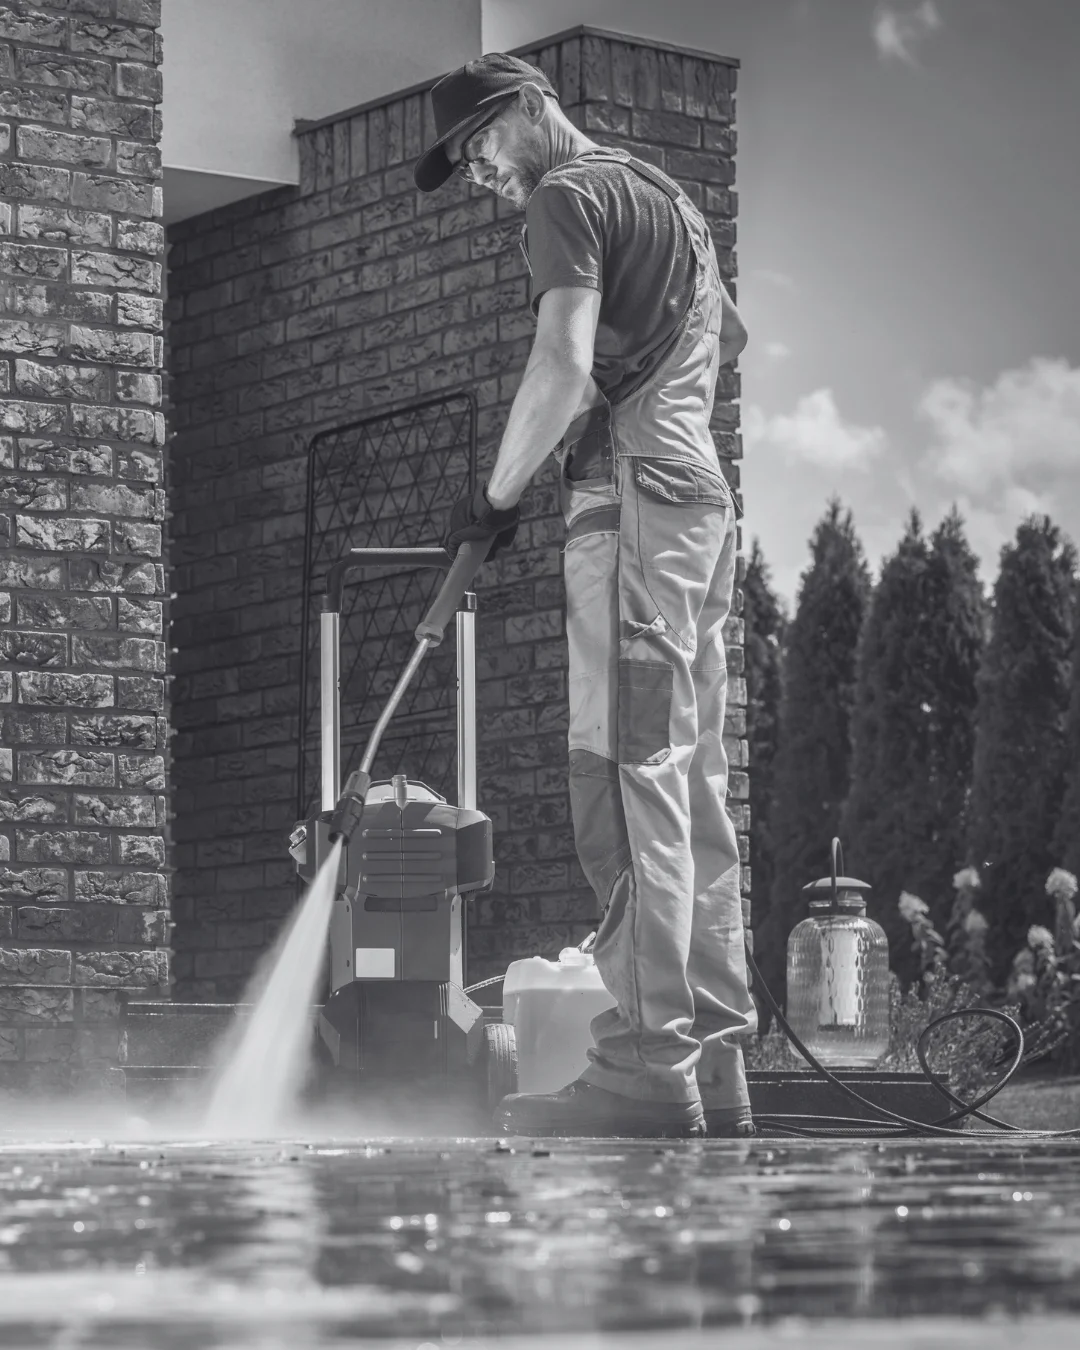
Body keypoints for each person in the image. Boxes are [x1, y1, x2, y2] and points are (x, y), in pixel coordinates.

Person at [415, 53, 756, 1138]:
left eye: (478, 143)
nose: (477, 171)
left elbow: (561, 369)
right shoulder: (670, 202)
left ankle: (647, 1064)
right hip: (698, 503)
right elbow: (728, 337)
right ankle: (716, 1060)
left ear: (526, 107)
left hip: (636, 511)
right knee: (690, 783)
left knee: (621, 775)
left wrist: (495, 496)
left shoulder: (567, 194)